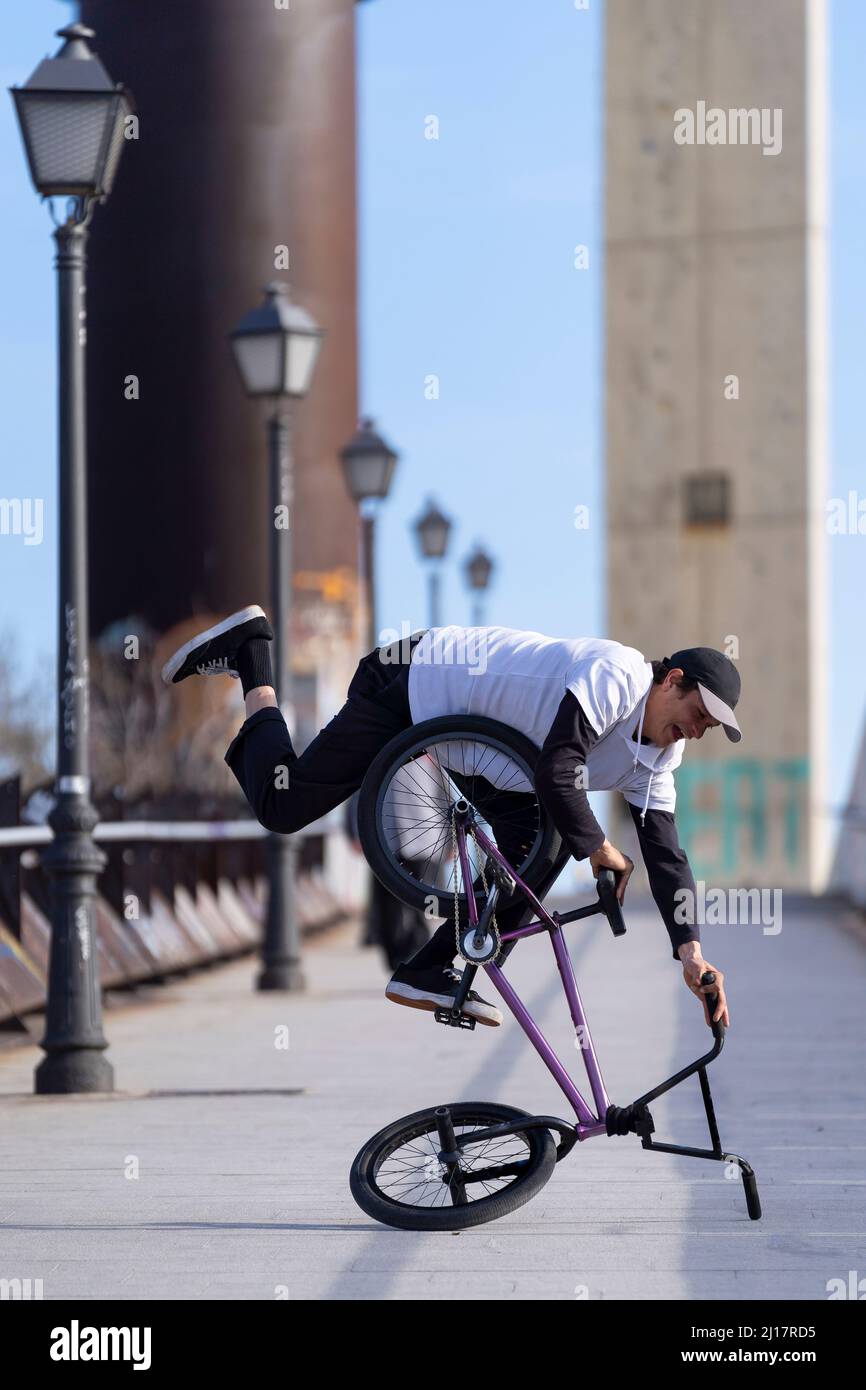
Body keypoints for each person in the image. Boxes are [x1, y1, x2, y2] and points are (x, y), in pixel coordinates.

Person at [162, 608, 740, 1031]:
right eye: (696, 712)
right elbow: (560, 766)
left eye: (707, 727)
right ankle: (252, 656)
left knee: (544, 847)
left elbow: (666, 853)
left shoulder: (662, 754)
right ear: (671, 680)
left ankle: (433, 967)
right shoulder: (619, 675)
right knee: (283, 807)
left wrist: (690, 950)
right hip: (416, 680)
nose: (696, 729)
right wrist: (600, 849)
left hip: (482, 757)